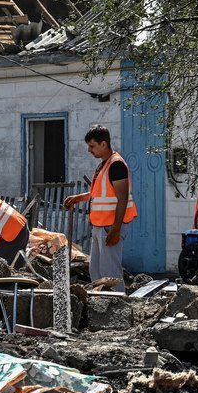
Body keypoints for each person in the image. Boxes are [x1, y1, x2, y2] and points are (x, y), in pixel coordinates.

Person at [63, 124, 136, 293]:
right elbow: (100, 192)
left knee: (110, 273)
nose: (89, 150)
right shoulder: (104, 165)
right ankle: (100, 308)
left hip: (110, 227)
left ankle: (118, 307)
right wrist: (80, 197)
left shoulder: (116, 165)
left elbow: (122, 198)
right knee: (95, 271)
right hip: (100, 226)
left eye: (92, 146)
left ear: (104, 144)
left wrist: (116, 230)